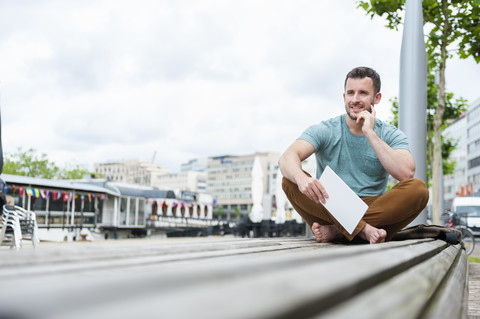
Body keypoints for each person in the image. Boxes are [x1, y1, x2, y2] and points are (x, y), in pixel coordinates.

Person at [279, 66, 429, 244]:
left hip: (373, 207)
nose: (355, 99)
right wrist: (302, 179)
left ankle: (339, 231)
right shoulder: (325, 129)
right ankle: (362, 230)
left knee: (418, 189)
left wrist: (370, 134)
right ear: (344, 97)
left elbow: (406, 173)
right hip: (329, 204)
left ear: (377, 98)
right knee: (290, 180)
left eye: (363, 93)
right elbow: (287, 157)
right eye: (350, 93)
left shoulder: (390, 134)